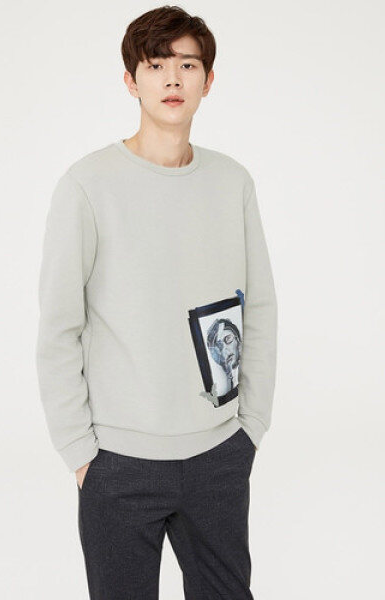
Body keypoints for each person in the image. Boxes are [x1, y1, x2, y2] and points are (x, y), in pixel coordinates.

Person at [36, 5, 278, 599]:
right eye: (155, 64)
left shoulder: (232, 182)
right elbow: (60, 326)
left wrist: (251, 426)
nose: (173, 78)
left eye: (188, 65)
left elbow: (260, 308)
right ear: (131, 80)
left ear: (208, 80)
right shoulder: (87, 186)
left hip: (219, 452)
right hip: (118, 461)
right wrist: (80, 452)